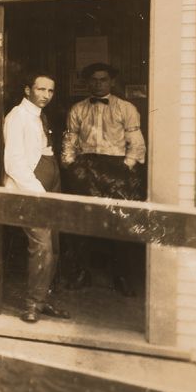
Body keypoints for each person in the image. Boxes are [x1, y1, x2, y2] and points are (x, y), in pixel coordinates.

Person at [61, 62, 147, 296]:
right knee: (81, 222)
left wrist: (125, 167)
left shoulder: (126, 107)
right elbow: (70, 139)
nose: (98, 84)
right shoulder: (77, 108)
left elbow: (136, 142)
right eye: (94, 80)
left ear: (112, 82)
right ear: (87, 82)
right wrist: (71, 165)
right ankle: (81, 274)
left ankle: (122, 277)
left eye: (103, 79)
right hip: (86, 166)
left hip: (116, 167)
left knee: (119, 223)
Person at [1, 72, 71, 323]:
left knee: (54, 243)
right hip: (31, 187)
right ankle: (32, 304)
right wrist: (38, 190)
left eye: (50, 91)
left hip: (52, 182)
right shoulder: (17, 117)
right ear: (27, 90)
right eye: (40, 89)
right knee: (41, 245)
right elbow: (14, 162)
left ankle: (43, 300)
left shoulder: (39, 116)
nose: (45, 95)